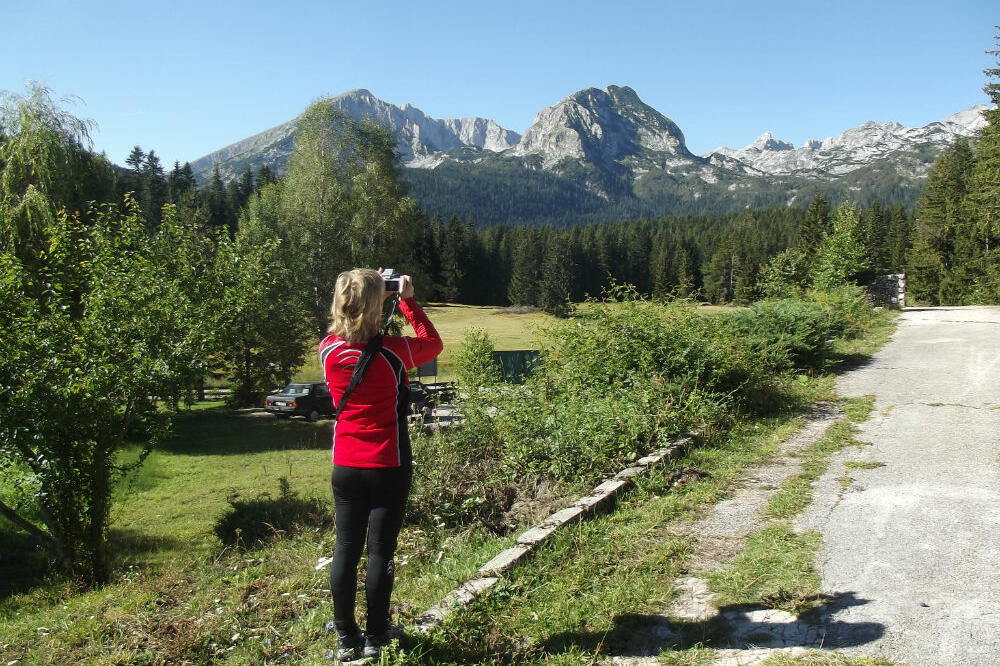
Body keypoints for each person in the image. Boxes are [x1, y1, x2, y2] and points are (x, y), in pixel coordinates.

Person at [318, 268, 442, 661]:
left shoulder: (327, 350)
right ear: (376, 305)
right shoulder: (394, 351)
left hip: (345, 466)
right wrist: (404, 299)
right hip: (388, 462)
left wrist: (373, 299)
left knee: (346, 547)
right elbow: (432, 343)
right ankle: (375, 636)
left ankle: (345, 637)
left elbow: (353, 331)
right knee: (379, 552)